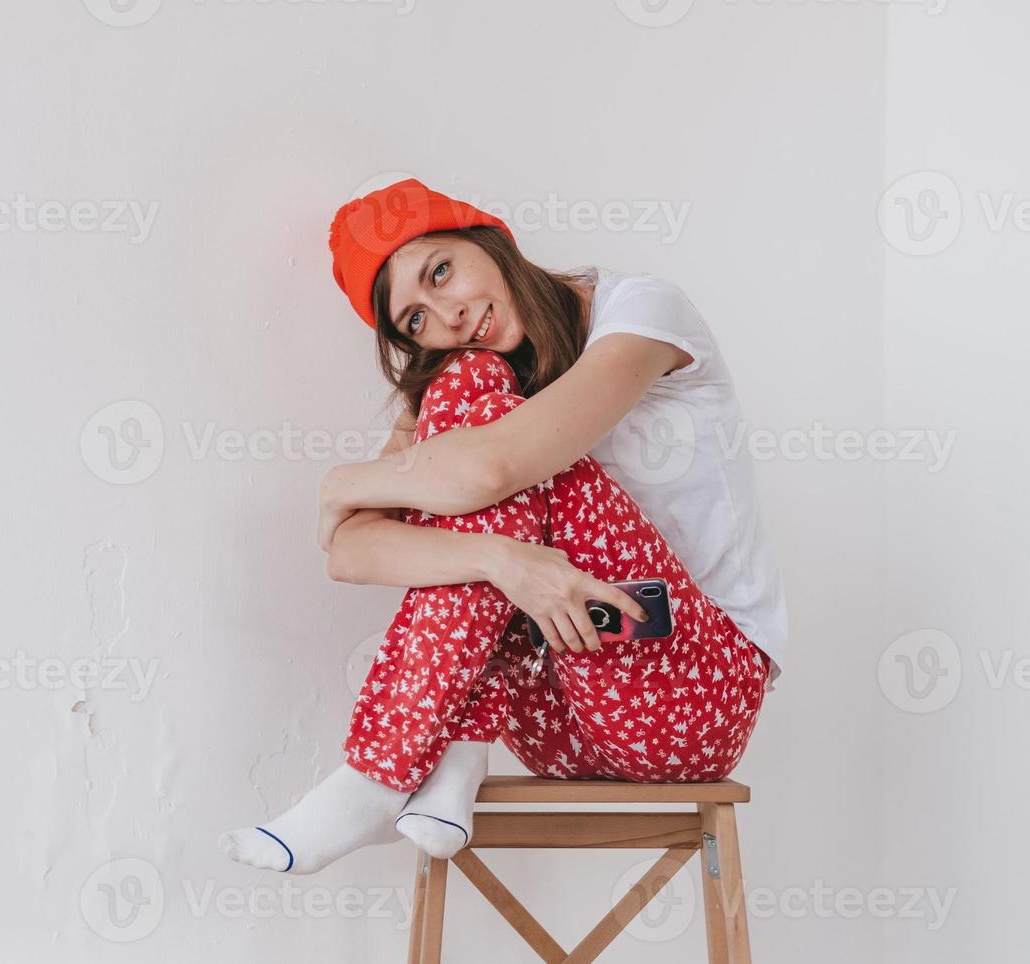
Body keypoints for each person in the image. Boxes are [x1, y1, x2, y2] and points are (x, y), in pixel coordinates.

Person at [220, 178, 787, 874]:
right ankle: (455, 758)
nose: (449, 315)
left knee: (482, 438)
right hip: (552, 717)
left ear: (486, 236)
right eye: (416, 322)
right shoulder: (468, 384)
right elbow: (350, 549)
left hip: (691, 696)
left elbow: (489, 471)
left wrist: (341, 482)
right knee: (458, 400)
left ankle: (379, 776)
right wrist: (501, 561)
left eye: (441, 272)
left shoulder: (639, 312)